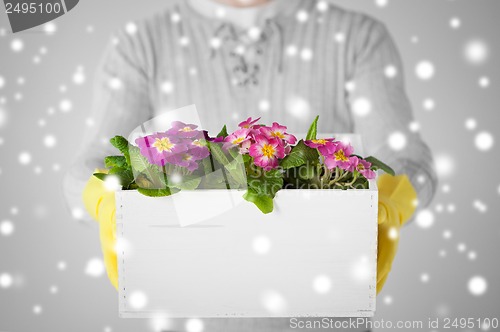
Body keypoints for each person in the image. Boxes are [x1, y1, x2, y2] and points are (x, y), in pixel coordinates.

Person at [64, 0, 437, 330]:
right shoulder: (142, 43)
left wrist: (390, 202)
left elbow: (406, 155)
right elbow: (92, 161)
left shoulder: (357, 36)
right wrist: (105, 200)